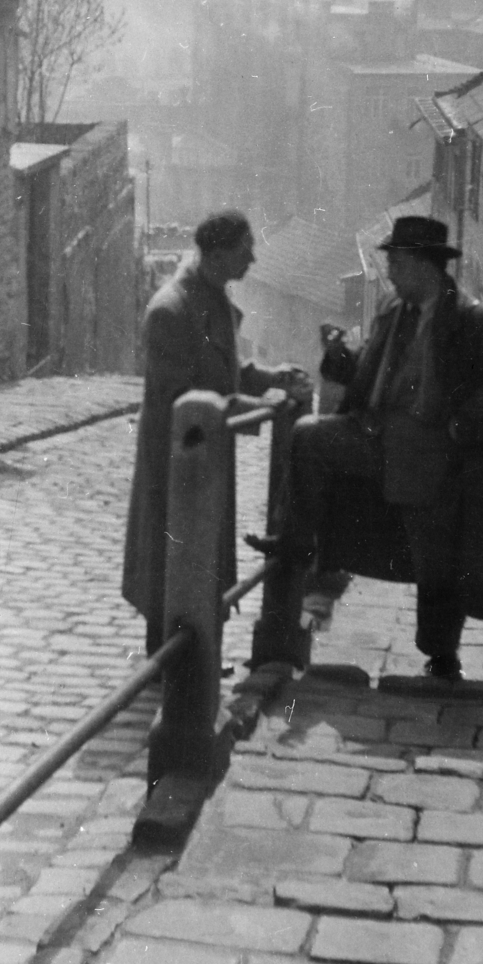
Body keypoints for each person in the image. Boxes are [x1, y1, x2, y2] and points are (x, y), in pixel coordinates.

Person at [250, 215, 483, 682]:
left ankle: (442, 658)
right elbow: (366, 373)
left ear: (425, 265)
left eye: (398, 263)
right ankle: (297, 543)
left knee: (437, 555)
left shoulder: (473, 321)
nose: (392, 272)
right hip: (379, 440)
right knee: (308, 437)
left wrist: (463, 426)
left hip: (437, 457)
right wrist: (339, 355)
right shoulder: (392, 312)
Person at [122, 209, 313, 656]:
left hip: (204, 455)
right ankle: (167, 662)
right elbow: (182, 399)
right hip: (174, 460)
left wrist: (266, 377)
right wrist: (250, 407)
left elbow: (221, 367)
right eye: (245, 251)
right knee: (171, 558)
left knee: (200, 554)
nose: (252, 262)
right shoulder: (172, 309)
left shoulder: (209, 295)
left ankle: (197, 658)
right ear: (219, 252)